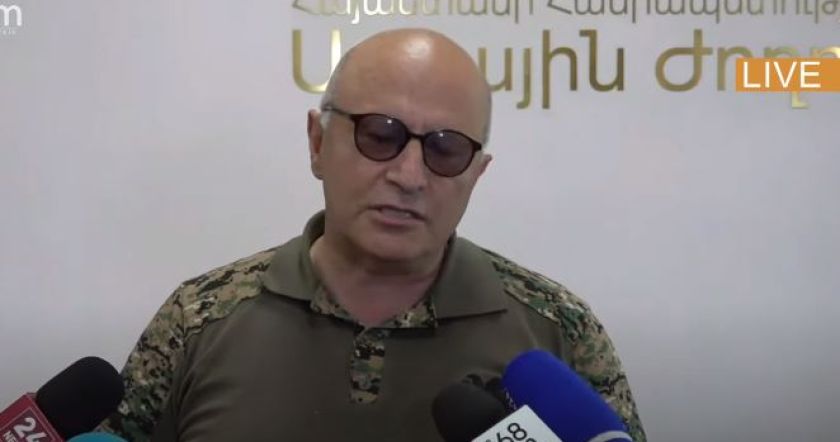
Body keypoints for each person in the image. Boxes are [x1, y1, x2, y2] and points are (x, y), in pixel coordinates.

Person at [100, 28, 647, 441]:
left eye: (446, 149)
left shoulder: (558, 332)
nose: (409, 176)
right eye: (380, 135)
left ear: (477, 175)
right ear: (317, 143)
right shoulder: (198, 320)